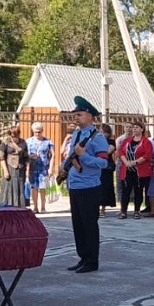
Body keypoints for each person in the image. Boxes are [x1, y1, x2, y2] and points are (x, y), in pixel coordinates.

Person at [65, 96, 109, 274]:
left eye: (79, 114)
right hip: (75, 184)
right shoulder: (76, 134)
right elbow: (70, 156)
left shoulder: (96, 138)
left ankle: (92, 260)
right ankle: (83, 256)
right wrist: (63, 169)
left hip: (89, 186)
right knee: (78, 224)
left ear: (89, 116)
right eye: (75, 114)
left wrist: (83, 156)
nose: (76, 117)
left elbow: (103, 163)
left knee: (89, 224)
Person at [118, 122, 153, 220]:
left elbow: (147, 155)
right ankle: (123, 211)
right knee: (126, 191)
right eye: (134, 127)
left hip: (139, 171)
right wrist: (126, 162)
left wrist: (134, 162)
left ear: (142, 129)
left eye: (137, 127)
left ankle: (137, 211)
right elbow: (121, 152)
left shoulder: (146, 142)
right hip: (127, 170)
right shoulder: (127, 140)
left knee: (138, 191)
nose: (134, 129)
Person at [26, 122, 55, 214]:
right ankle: (35, 206)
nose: (37, 134)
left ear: (42, 131)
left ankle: (43, 207)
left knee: (43, 187)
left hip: (43, 168)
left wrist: (51, 168)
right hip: (32, 167)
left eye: (39, 132)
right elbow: (25, 155)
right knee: (34, 187)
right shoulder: (28, 141)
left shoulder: (48, 142)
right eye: (35, 132)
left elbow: (53, 155)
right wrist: (30, 158)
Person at [0, 125, 29, 207]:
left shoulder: (23, 142)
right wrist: (5, 171)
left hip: (21, 169)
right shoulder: (5, 142)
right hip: (9, 168)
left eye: (16, 134)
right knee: (8, 188)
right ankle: (7, 206)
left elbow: (26, 157)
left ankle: (20, 207)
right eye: (12, 135)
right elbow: (1, 158)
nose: (14, 136)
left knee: (20, 189)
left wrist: (27, 170)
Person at [99, 124, 117, 216]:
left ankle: (103, 208)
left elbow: (108, 151)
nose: (102, 134)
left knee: (105, 187)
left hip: (106, 167)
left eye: (104, 132)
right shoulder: (96, 141)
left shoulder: (111, 141)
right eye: (101, 132)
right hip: (97, 166)